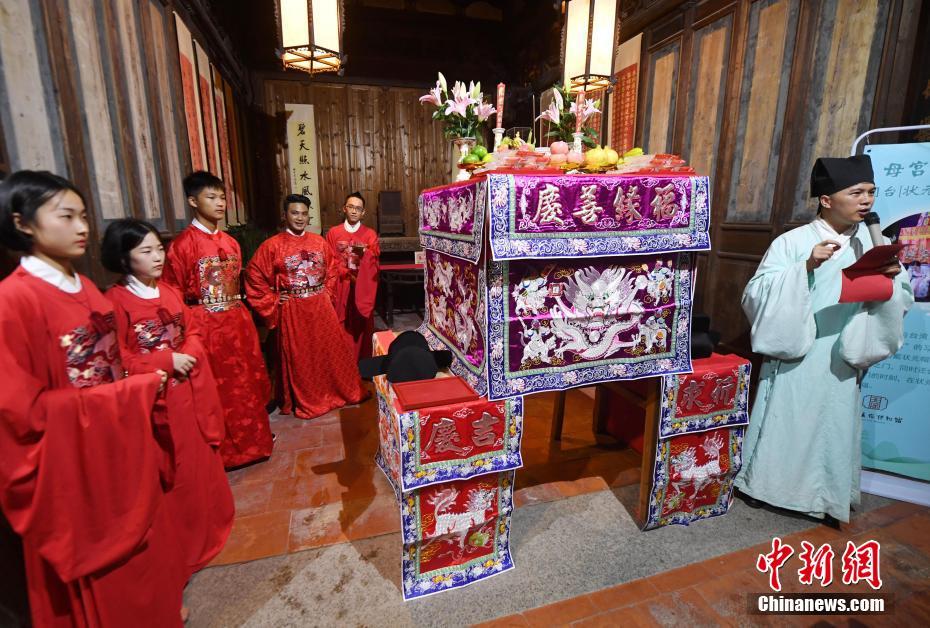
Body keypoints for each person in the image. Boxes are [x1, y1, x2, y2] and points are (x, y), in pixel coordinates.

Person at [0, 171, 185, 626]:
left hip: (120, 435)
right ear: (22, 223)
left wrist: (125, 396)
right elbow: (21, 412)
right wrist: (130, 393)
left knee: (146, 539)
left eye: (84, 216)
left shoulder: (84, 287)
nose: (82, 227)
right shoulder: (14, 300)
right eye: (66, 217)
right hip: (75, 457)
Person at [735, 155, 913, 526]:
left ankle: (825, 496)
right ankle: (770, 488)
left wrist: (893, 280)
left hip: (844, 350)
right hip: (799, 349)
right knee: (789, 419)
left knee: (833, 425)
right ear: (827, 200)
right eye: (856, 192)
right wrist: (804, 268)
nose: (866, 200)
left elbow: (902, 297)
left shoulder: (874, 242)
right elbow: (755, 293)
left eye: (871, 192)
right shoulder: (793, 242)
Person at [102, 218, 235, 580]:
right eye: (145, 251)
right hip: (156, 399)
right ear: (124, 258)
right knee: (173, 468)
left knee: (199, 460)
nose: (157, 257)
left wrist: (187, 352)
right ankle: (184, 542)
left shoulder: (169, 291)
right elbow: (117, 358)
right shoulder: (114, 302)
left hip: (189, 388)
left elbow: (191, 330)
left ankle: (211, 525)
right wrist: (165, 361)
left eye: (159, 249)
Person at [162, 171, 274, 468]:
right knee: (217, 387)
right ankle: (224, 452)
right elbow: (171, 294)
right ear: (193, 201)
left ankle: (255, 442)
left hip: (237, 322)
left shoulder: (231, 242)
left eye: (222, 197)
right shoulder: (182, 245)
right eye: (211, 197)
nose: (220, 203)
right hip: (205, 326)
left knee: (246, 382)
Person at [245, 195, 366, 418]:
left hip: (321, 307)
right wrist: (273, 299)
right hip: (294, 310)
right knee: (302, 357)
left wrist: (327, 293)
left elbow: (332, 268)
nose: (300, 218)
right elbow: (254, 276)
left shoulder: (319, 242)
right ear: (285, 215)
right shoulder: (272, 245)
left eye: (303, 213)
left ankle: (336, 391)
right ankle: (311, 398)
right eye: (294, 213)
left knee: (331, 352)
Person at [326, 191, 380, 360]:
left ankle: (362, 362)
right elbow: (329, 260)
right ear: (344, 208)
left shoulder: (370, 234)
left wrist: (365, 255)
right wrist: (344, 271)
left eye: (358, 208)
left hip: (361, 286)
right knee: (339, 323)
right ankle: (341, 362)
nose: (354, 211)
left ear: (363, 212)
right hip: (340, 285)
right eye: (351, 207)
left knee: (361, 325)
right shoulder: (333, 233)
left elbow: (374, 262)